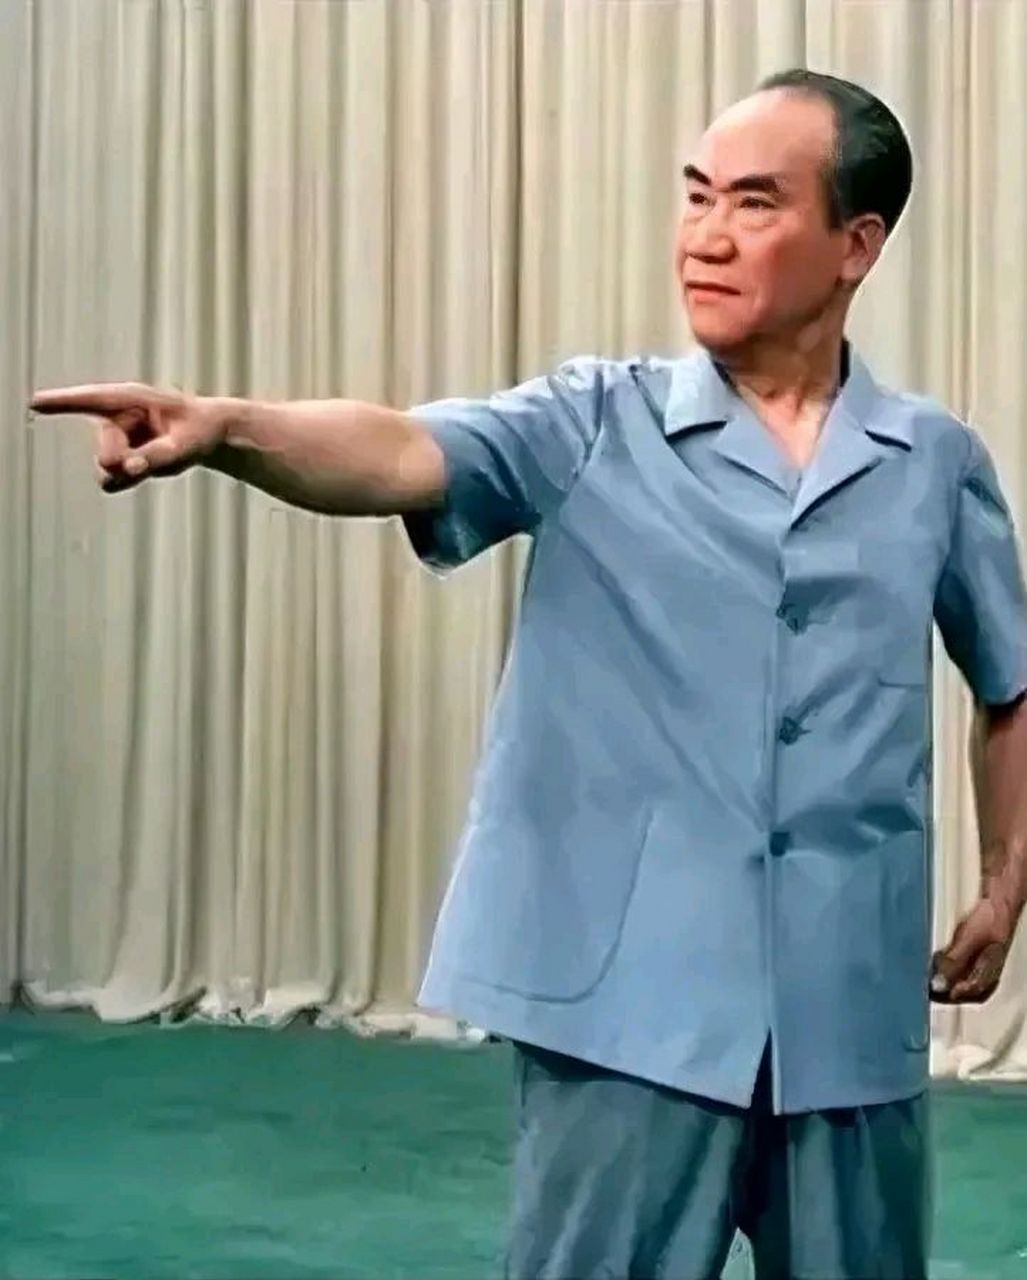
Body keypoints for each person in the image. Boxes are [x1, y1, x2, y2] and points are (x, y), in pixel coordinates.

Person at [32, 69, 1027, 1279]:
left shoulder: (930, 463)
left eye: (754, 203)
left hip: (848, 1010)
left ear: (854, 245)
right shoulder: (594, 420)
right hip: (629, 1009)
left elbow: (1008, 680)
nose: (705, 236)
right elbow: (402, 450)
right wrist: (231, 428)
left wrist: (1003, 880)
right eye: (697, 195)